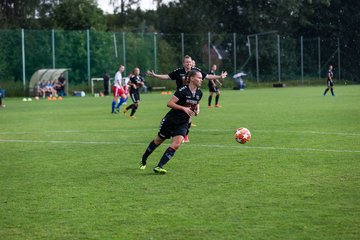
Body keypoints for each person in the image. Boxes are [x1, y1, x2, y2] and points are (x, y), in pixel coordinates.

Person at [146, 55, 227, 142]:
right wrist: (155, 75)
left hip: (191, 96)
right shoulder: (179, 71)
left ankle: (184, 135)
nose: (188, 63)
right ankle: (172, 132)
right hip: (179, 98)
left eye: (189, 62)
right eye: (186, 62)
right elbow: (167, 76)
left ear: (191, 62)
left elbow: (207, 76)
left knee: (189, 116)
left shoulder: (196, 71)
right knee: (176, 115)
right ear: (183, 63)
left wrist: (219, 77)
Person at [139, 70, 203, 174]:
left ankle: (159, 166)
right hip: (171, 120)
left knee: (176, 144)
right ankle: (144, 158)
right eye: (199, 78)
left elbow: (196, 102)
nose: (201, 80)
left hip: (183, 123)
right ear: (191, 78)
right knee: (158, 141)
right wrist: (183, 108)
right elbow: (169, 103)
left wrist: (197, 109)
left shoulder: (199, 93)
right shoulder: (182, 90)